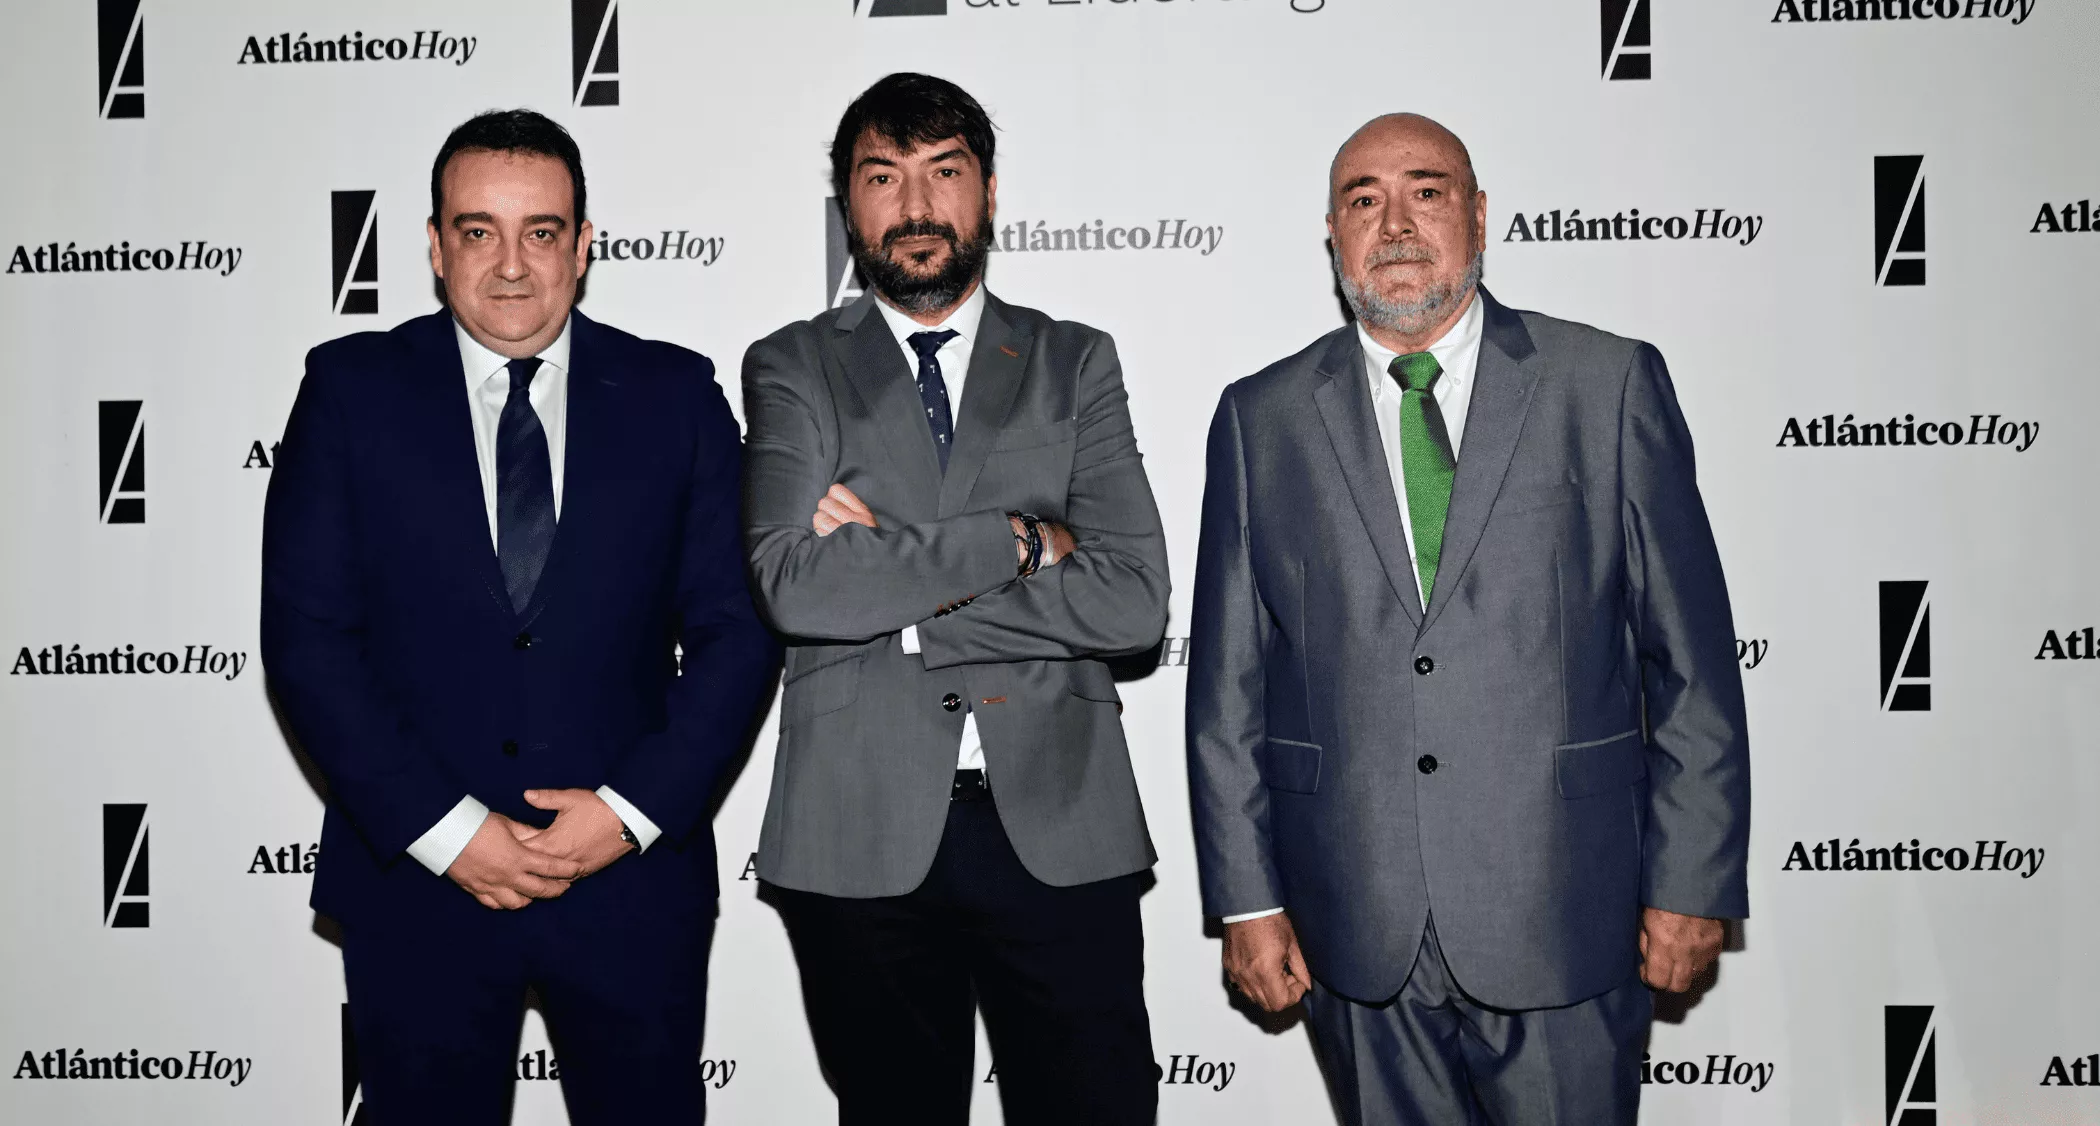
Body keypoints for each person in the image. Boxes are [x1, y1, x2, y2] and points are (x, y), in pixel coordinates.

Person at [1186, 112, 1751, 1126]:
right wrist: (1248, 897)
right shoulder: (1259, 418)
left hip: (1569, 907)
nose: (1395, 223)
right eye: (1364, 200)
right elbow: (1227, 684)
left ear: (1480, 214)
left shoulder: (1606, 384)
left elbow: (1693, 661)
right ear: (1332, 234)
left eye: (1427, 192)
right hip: (1355, 922)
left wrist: (1694, 880)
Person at [260, 108, 776, 1125]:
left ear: (584, 247)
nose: (509, 265)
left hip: (631, 888)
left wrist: (625, 815)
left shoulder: (678, 395)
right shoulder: (349, 392)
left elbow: (738, 630)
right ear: (435, 244)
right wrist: (449, 833)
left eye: (540, 231)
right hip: (418, 883)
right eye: (477, 230)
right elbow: (308, 640)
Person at [741, 73, 1169, 1126]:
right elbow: (795, 585)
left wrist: (894, 575)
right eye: (882, 177)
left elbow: (1133, 603)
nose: (916, 205)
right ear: (847, 205)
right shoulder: (792, 364)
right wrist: (1024, 539)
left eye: (945, 172)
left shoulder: (1075, 362)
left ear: (986, 192)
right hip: (856, 828)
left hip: (1063, 825)